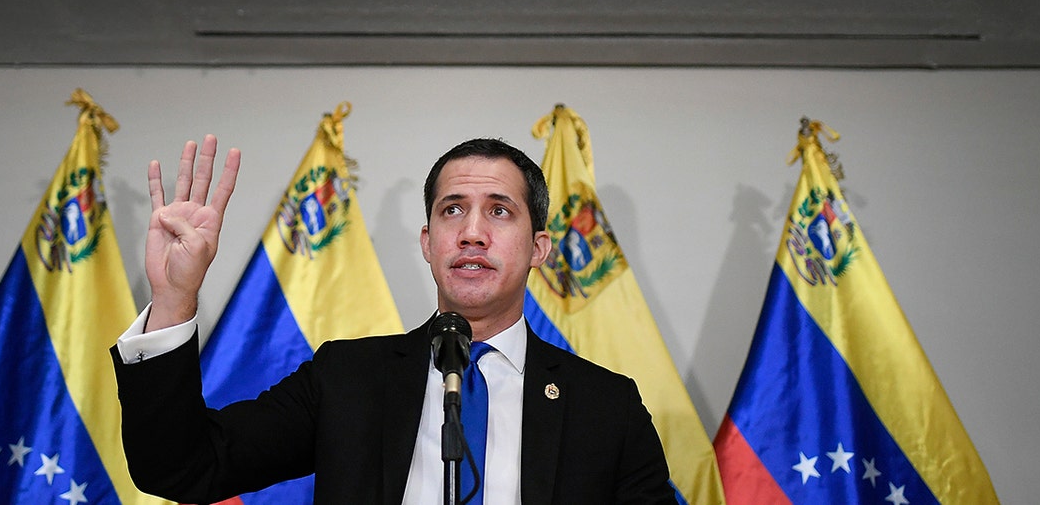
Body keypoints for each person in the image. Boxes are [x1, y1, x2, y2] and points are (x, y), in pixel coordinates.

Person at [112, 135, 678, 504]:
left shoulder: (607, 408)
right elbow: (181, 469)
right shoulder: (348, 378)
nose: (472, 232)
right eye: (452, 210)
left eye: (499, 211)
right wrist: (173, 297)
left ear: (539, 247)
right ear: (429, 243)